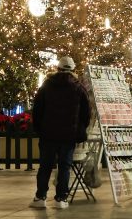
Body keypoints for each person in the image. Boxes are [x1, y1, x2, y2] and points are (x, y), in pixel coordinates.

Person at [30, 55, 91, 210]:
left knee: (45, 166)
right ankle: (61, 198)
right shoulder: (78, 87)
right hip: (68, 135)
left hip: (48, 134)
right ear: (73, 70)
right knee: (64, 166)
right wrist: (79, 128)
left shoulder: (47, 85)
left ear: (57, 69)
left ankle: (40, 197)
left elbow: (37, 110)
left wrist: (39, 128)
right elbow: (86, 112)